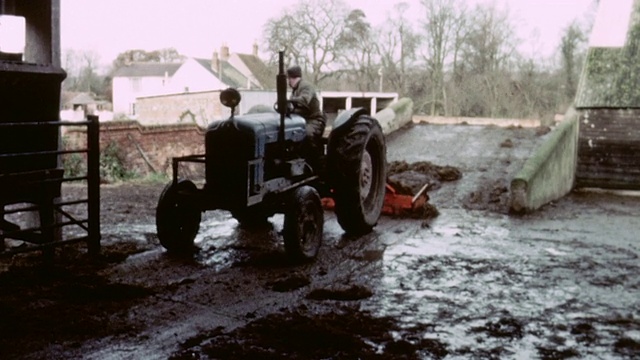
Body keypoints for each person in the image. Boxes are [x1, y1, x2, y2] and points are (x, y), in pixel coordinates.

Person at [286, 65, 327, 173]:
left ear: (293, 78)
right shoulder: (295, 90)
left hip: (315, 119)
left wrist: (289, 101)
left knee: (307, 134)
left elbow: (304, 100)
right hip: (301, 120)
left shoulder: (306, 86)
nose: (288, 82)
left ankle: (319, 164)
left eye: (289, 79)